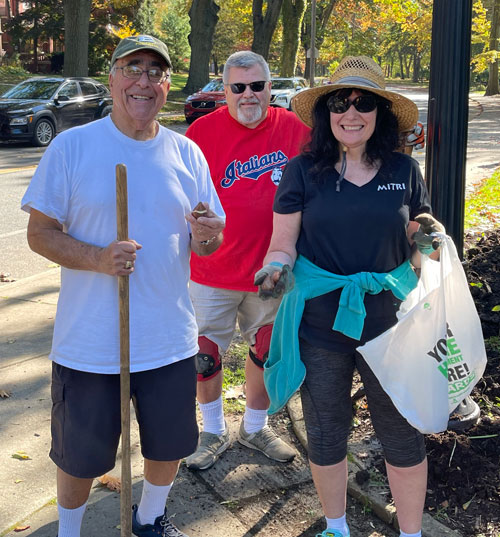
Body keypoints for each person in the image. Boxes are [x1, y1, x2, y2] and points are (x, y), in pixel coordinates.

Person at [21, 35, 225, 537]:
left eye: (155, 72)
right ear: (111, 78)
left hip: (168, 338)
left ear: (168, 84)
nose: (143, 81)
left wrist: (204, 237)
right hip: (90, 343)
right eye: (132, 68)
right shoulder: (73, 146)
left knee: (170, 444)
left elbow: (206, 246)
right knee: (80, 455)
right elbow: (38, 234)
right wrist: (97, 257)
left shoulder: (187, 153)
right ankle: (70, 532)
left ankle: (151, 518)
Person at [254, 56, 444, 537]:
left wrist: (427, 237)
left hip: (392, 327)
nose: (351, 112)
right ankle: (336, 528)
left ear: (380, 111)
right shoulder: (302, 171)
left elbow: (416, 234)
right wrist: (274, 267)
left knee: (402, 435)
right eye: (340, 102)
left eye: (363, 103)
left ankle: (411, 532)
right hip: (321, 325)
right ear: (326, 112)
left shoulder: (404, 168)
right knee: (324, 432)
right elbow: (283, 242)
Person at [183, 51, 311, 471]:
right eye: (238, 87)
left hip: (271, 272)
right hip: (211, 270)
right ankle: (213, 430)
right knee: (205, 355)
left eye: (257, 85)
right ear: (225, 91)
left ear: (270, 87)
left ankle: (255, 427)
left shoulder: (294, 130)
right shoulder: (201, 133)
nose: (249, 94)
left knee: (266, 349)